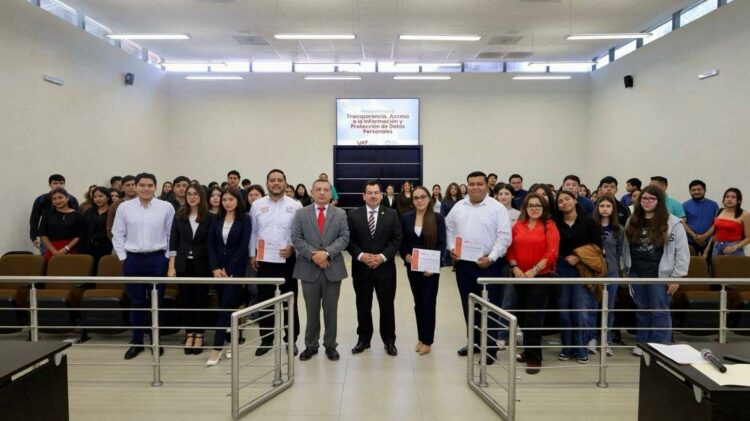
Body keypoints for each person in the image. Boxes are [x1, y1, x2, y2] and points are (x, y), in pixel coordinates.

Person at [446, 171, 512, 362]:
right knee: (469, 305)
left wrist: (491, 257)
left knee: (489, 307)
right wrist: (451, 248)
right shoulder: (459, 207)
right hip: (463, 265)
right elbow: (449, 229)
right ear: (467, 186)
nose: (475, 187)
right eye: (472, 184)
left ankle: (490, 348)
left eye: (479, 184)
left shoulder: (497, 208)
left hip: (489, 265)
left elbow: (504, 237)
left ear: (487, 186)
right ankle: (474, 343)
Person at [111, 173, 175, 360]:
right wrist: (123, 258)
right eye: (142, 185)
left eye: (149, 185)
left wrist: (166, 258)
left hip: (157, 259)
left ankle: (156, 340)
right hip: (133, 260)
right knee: (137, 302)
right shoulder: (125, 207)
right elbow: (117, 234)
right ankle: (137, 341)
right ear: (135, 187)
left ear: (155, 187)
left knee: (156, 302)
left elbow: (171, 235)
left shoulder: (166, 207)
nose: (146, 189)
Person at [623, 185, 689, 351]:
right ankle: (643, 345)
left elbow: (682, 252)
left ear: (659, 201)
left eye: (652, 199)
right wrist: (625, 269)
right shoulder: (632, 220)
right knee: (642, 310)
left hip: (660, 275)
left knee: (659, 311)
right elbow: (626, 247)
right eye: (644, 198)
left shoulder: (673, 222)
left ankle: (661, 348)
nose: (647, 201)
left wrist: (677, 277)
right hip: (637, 273)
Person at [291, 178, 350, 361]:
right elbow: (296, 238)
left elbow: (344, 238)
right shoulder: (301, 213)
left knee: (331, 311)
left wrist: (326, 253)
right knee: (311, 311)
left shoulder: (340, 214)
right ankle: (311, 345)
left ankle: (330, 345)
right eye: (318, 189)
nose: (322, 192)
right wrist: (314, 255)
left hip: (333, 269)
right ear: (312, 192)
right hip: (308, 269)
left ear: (331, 193)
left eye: (326, 189)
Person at [249, 169, 303, 357]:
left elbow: (299, 233)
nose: (276, 183)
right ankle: (266, 339)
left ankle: (291, 340)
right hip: (264, 260)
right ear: (267, 183)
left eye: (280, 180)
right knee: (265, 301)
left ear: (285, 183)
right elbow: (253, 231)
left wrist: (293, 248)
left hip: (287, 260)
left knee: (290, 301)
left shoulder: (295, 205)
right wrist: (252, 254)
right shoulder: (257, 205)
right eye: (272, 180)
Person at [347, 181, 403, 356]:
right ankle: (363, 339)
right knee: (363, 305)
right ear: (363, 196)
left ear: (381, 195)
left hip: (385, 269)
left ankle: (389, 340)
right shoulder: (353, 215)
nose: (373, 196)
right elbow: (349, 240)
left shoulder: (392, 214)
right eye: (369, 193)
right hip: (361, 269)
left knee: (387, 306)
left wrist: (382, 257)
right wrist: (361, 256)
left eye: (376, 193)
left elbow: (397, 239)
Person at [507, 193, 560, 374]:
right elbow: (510, 248)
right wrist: (515, 267)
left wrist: (534, 270)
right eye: (531, 205)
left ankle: (534, 358)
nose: (534, 208)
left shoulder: (549, 225)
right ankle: (529, 349)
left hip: (540, 278)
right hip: (519, 276)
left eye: (538, 205)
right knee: (521, 316)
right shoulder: (518, 225)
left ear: (544, 208)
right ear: (525, 208)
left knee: (533, 318)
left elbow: (551, 252)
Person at [205, 187, 251, 366]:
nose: (227, 202)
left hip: (235, 270)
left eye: (231, 199)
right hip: (217, 271)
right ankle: (231, 341)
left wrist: (229, 269)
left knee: (226, 307)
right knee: (228, 307)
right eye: (224, 200)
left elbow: (243, 246)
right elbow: (211, 244)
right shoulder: (216, 219)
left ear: (238, 201)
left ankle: (217, 348)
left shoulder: (245, 219)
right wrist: (215, 267)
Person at [554, 190, 601, 363]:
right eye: (560, 201)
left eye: (567, 199)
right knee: (564, 311)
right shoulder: (555, 223)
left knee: (581, 311)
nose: (564, 203)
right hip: (561, 270)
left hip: (583, 270)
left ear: (575, 200)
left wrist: (579, 257)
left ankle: (581, 349)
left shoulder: (589, 222)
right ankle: (567, 348)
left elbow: (597, 247)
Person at [400, 186, 447, 356]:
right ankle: (421, 337)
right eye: (416, 198)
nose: (419, 200)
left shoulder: (437, 218)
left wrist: (434, 266)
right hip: (413, 267)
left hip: (430, 270)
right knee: (418, 303)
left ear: (429, 199)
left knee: (428, 302)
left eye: (422, 197)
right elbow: (402, 241)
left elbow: (442, 243)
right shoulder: (406, 218)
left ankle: (428, 340)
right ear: (412, 201)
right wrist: (405, 255)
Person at [168, 184, 213, 356]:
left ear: (201, 196)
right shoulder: (179, 215)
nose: (192, 197)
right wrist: (171, 266)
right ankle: (189, 334)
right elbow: (174, 241)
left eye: (195, 194)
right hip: (183, 264)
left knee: (201, 300)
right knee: (186, 300)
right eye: (189, 194)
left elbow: (212, 243)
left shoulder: (210, 217)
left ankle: (199, 335)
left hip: (203, 264)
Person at [593, 194, 625, 356]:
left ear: (613, 209)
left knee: (609, 307)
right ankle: (591, 338)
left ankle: (606, 340)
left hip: (612, 272)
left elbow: (620, 252)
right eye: (602, 206)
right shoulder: (591, 226)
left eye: (608, 206)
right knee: (593, 306)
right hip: (594, 272)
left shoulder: (619, 230)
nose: (605, 209)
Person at [30, 174, 80, 252]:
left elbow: (77, 221)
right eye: (55, 183)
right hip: (47, 238)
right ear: (50, 184)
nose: (58, 185)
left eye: (61, 183)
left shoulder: (72, 199)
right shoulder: (41, 200)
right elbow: (34, 219)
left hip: (68, 240)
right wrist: (33, 236)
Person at [39, 188, 85, 262]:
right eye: (54, 199)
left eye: (60, 197)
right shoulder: (47, 214)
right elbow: (43, 234)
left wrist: (66, 248)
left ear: (67, 198)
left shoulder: (78, 215)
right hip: (51, 250)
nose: (57, 201)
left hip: (71, 249)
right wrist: (54, 251)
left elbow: (79, 235)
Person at [707, 188, 750, 257]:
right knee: (716, 264)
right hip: (717, 246)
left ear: (739, 200)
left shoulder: (744, 215)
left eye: (733, 197)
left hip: (734, 248)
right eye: (727, 197)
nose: (729, 199)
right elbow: (715, 233)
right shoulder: (719, 211)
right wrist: (707, 249)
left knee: (734, 264)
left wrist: (735, 247)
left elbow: (748, 238)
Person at [682, 180, 719, 256]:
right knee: (691, 262)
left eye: (699, 189)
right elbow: (682, 223)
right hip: (689, 241)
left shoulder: (714, 205)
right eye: (693, 190)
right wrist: (694, 236)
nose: (696, 192)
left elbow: (717, 223)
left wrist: (705, 236)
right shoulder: (685, 205)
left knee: (708, 262)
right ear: (690, 191)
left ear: (704, 190)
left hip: (708, 241)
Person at [81, 186, 113, 273]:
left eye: (100, 196)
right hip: (89, 248)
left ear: (108, 197)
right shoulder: (89, 212)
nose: (97, 199)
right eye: (95, 197)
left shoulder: (112, 212)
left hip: (107, 247)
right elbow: (83, 230)